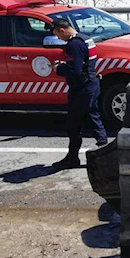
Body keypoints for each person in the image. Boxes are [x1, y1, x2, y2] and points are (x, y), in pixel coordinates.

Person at [50, 18, 107, 169]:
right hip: (90, 85)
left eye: (57, 34)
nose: (58, 38)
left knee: (75, 125)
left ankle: (75, 158)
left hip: (82, 89)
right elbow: (84, 63)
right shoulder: (85, 38)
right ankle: (105, 154)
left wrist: (58, 68)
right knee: (93, 119)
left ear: (62, 30)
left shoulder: (74, 44)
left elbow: (75, 70)